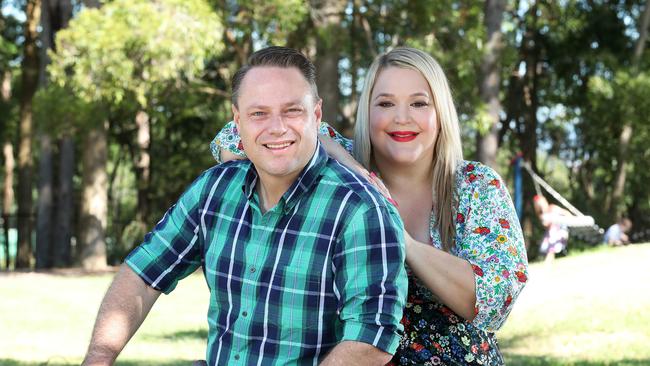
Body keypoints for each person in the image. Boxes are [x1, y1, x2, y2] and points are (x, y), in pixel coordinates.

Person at [82, 46, 409, 366]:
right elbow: (142, 273)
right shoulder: (214, 189)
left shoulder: (362, 210)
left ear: (317, 115)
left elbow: (372, 338)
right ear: (237, 121)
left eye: (292, 110)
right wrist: (98, 358)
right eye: (259, 113)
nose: (277, 127)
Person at [211, 47, 529, 365]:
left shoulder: (476, 186)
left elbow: (492, 302)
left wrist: (399, 237)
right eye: (385, 103)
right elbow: (232, 140)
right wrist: (354, 168)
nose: (402, 118)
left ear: (441, 113)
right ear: (367, 112)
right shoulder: (341, 166)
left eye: (419, 103)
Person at [533, 194, 573, 262]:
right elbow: (546, 225)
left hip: (560, 231)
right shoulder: (542, 215)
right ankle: (549, 262)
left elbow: (566, 213)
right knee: (549, 248)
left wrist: (569, 219)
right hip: (551, 233)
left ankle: (548, 262)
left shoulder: (552, 208)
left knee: (551, 248)